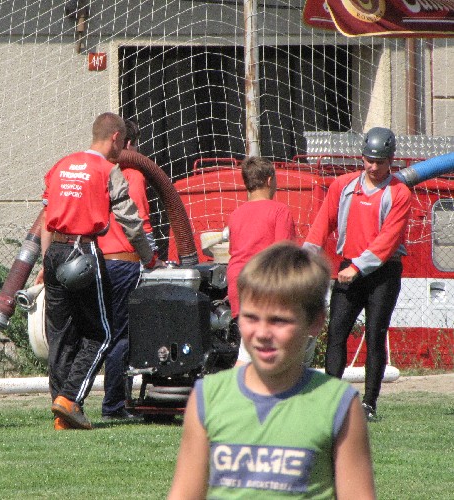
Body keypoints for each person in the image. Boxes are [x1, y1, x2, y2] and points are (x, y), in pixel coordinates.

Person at [168, 242, 376, 499]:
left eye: (279, 320)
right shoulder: (207, 398)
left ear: (315, 322)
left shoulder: (339, 405)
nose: (263, 333)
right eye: (251, 317)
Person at [41, 112, 162, 430]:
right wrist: (149, 258)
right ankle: (70, 399)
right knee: (101, 334)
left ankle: (61, 413)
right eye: (122, 143)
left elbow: (45, 218)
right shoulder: (108, 170)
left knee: (62, 336)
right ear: (116, 138)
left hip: (54, 252)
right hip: (82, 250)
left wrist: (45, 262)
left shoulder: (62, 165)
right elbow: (131, 220)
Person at [303, 127, 411, 422]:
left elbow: (388, 241)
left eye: (380, 162)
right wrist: (305, 258)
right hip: (348, 266)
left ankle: (369, 404)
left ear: (391, 160)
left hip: (383, 273)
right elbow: (322, 223)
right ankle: (331, 400)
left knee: (375, 336)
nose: (373, 167)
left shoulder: (399, 193)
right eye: (368, 160)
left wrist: (357, 267)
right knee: (336, 333)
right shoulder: (343, 185)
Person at [97, 119, 157, 421]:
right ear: (128, 144)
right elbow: (140, 222)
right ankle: (114, 405)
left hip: (98, 261)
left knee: (102, 334)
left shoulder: (100, 172)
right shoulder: (132, 174)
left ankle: (73, 400)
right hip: (125, 261)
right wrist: (153, 258)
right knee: (122, 336)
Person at [224, 156, 297, 366]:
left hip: (238, 285)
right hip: (264, 286)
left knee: (252, 348)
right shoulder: (279, 211)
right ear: (269, 180)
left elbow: (234, 251)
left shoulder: (236, 214)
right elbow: (283, 256)